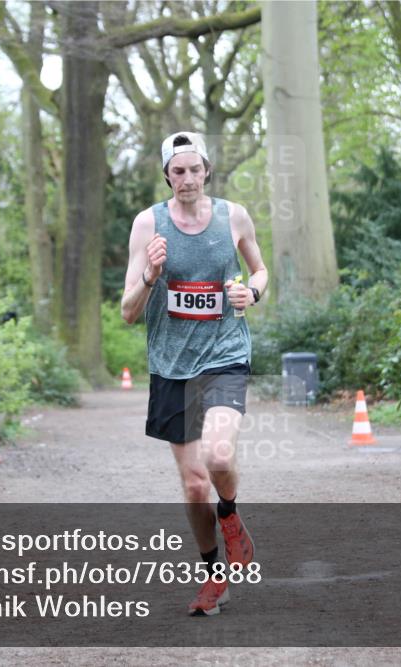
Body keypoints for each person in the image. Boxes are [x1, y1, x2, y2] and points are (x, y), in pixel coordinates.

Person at [121, 131, 268, 616]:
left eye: (194, 169)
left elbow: (260, 271)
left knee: (218, 456)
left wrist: (254, 292)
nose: (187, 178)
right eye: (177, 171)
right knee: (193, 485)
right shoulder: (149, 225)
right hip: (171, 365)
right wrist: (149, 275)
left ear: (207, 170)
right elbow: (127, 311)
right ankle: (213, 576)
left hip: (225, 352)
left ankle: (230, 516)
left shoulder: (234, 216)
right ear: (167, 175)